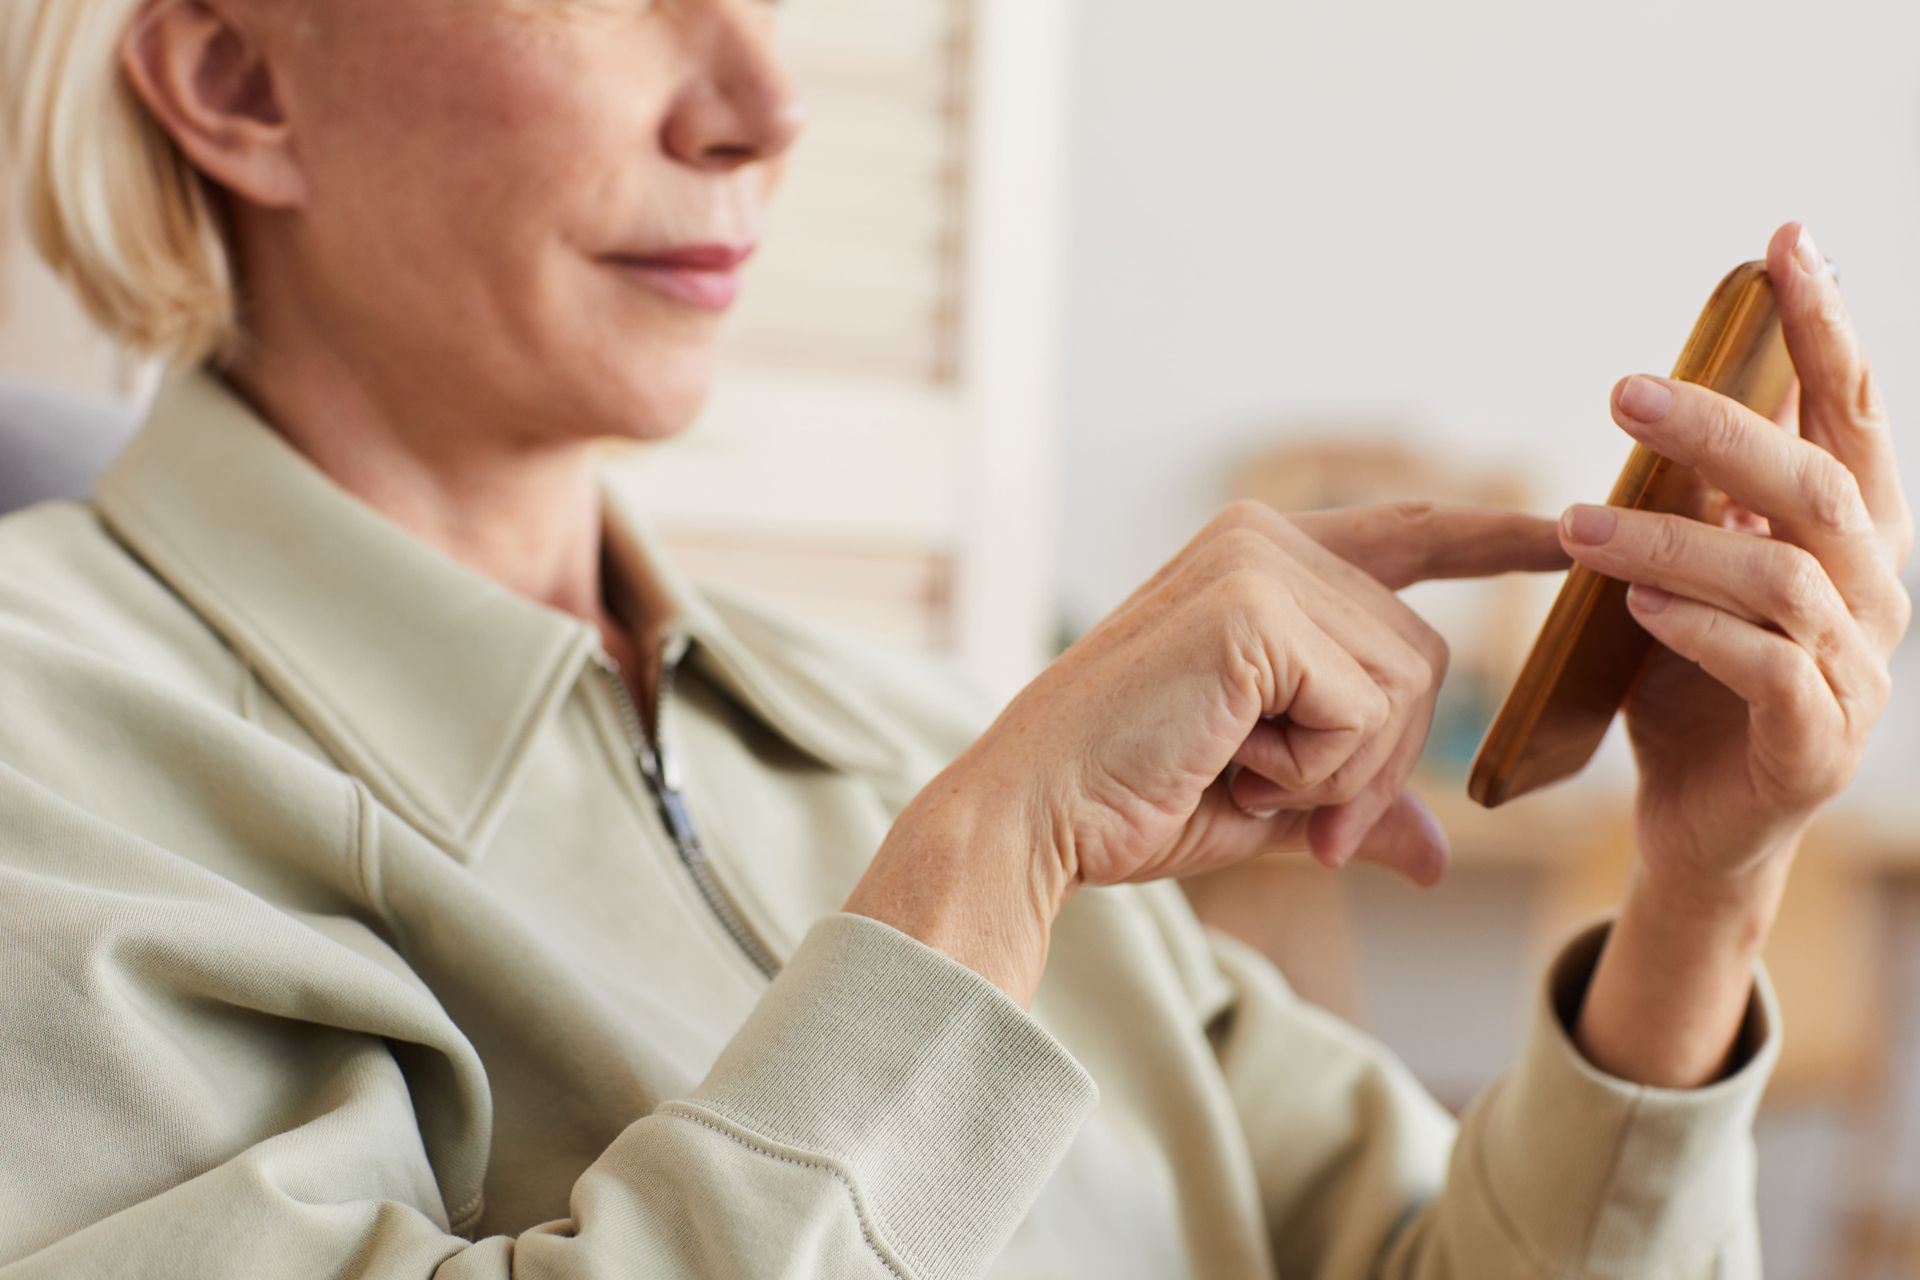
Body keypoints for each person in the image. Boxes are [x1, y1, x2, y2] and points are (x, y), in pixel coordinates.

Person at [0, 1, 1908, 1276]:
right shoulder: (48, 751)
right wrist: (990, 859)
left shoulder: (917, 723)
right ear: (238, 83)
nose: (763, 106)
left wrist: (1700, 887)